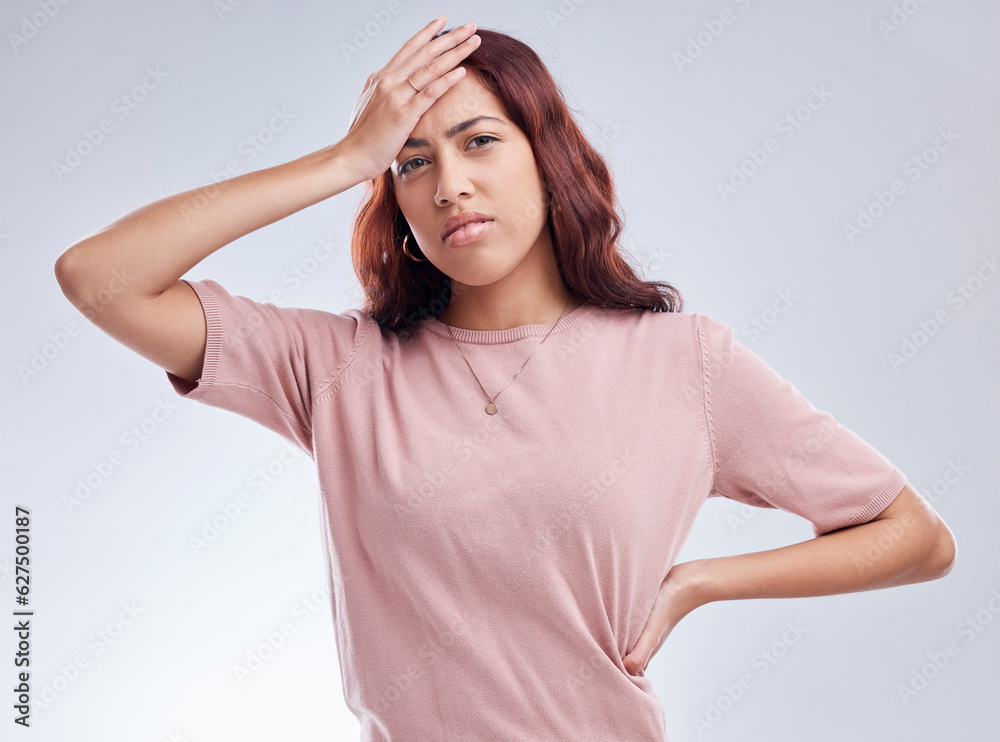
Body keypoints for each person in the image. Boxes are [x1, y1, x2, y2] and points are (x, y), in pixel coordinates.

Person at [54, 14, 957, 742]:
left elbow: (913, 535)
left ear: (546, 155)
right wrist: (342, 160)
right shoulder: (337, 368)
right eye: (412, 162)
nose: (449, 184)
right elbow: (99, 277)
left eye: (480, 141)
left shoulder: (687, 364)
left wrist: (699, 583)